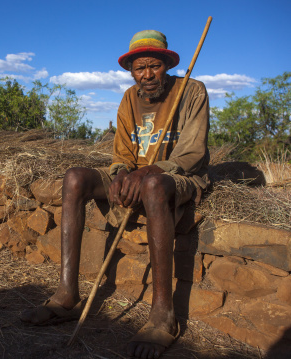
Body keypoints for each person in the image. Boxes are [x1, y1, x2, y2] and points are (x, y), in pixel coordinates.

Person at [21, 30, 210, 359]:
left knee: (152, 185)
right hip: (137, 175)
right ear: (131, 71)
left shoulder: (192, 90)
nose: (147, 75)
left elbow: (192, 154)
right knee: (75, 177)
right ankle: (66, 296)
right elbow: (121, 155)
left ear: (166, 64)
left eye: (154, 66)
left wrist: (149, 171)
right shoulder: (128, 98)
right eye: (139, 68)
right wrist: (123, 174)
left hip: (177, 177)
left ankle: (164, 316)